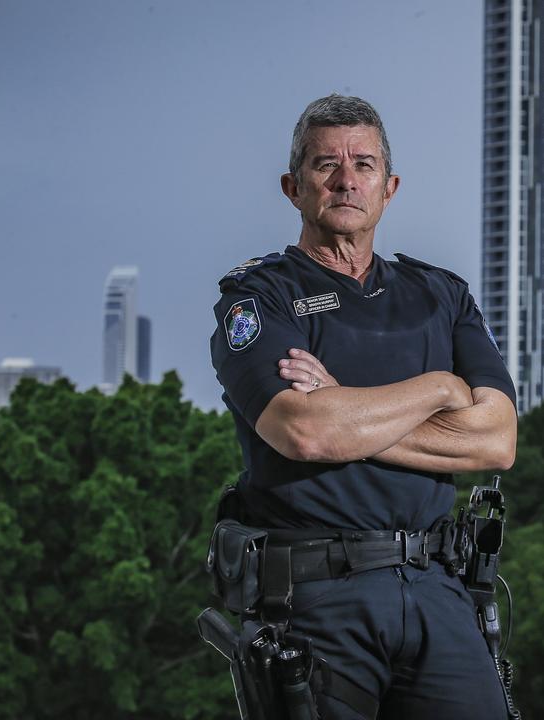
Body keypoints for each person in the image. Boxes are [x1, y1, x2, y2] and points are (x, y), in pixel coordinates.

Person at [210, 94, 517, 719]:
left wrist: (344, 406)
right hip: (318, 597)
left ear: (390, 186)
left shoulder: (441, 296)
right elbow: (305, 433)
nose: (346, 179)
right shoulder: (258, 298)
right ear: (293, 187)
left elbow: (496, 441)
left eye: (364, 164)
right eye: (326, 165)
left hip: (440, 588)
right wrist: (439, 389)